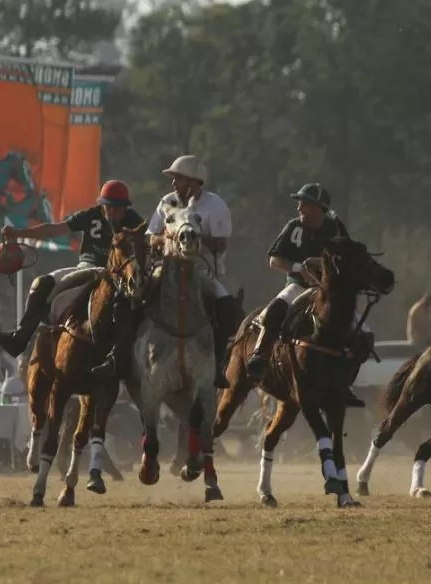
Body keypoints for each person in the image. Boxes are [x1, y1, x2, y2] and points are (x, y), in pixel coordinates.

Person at [0, 180, 145, 361]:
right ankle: (19, 339)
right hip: (88, 270)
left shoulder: (134, 221)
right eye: (109, 207)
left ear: (126, 208)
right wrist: (20, 233)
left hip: (119, 276)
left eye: (118, 208)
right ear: (102, 205)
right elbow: (53, 230)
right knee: (41, 283)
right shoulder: (91, 215)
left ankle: (122, 357)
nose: (113, 212)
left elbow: (148, 243)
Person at [244, 183, 370, 407]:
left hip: (329, 292)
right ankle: (258, 359)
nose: (299, 207)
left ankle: (345, 382)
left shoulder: (335, 230)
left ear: (317, 208)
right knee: (273, 311)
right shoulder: (294, 227)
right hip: (299, 286)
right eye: (300, 203)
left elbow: (349, 259)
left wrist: (324, 265)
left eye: (304, 203)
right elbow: (275, 259)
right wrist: (298, 268)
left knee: (364, 334)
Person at [144, 155, 237, 388]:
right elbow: (149, 237)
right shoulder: (167, 202)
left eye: (178, 178)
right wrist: (170, 236)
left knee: (229, 310)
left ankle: (217, 364)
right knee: (137, 299)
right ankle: (124, 357)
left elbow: (221, 244)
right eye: (173, 179)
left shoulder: (215, 205)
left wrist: (193, 236)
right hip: (166, 269)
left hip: (201, 270)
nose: (173, 183)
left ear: (194, 180)